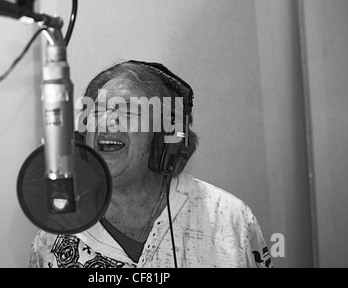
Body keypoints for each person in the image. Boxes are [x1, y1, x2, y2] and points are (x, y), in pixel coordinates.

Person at [28, 60, 273, 268]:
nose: (106, 123)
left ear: (165, 139)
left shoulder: (230, 220)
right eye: (97, 111)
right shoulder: (53, 237)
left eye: (127, 111)